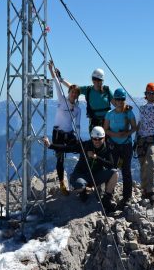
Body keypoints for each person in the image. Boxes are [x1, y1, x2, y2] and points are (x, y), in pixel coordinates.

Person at [45, 126, 118, 214]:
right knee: (80, 185)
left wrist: (97, 157)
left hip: (95, 176)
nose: (97, 141)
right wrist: (51, 145)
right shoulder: (85, 145)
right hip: (81, 175)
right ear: (91, 138)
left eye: (100, 139)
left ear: (104, 138)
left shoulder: (107, 148)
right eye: (95, 139)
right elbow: (68, 148)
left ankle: (106, 199)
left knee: (115, 173)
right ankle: (83, 191)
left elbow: (111, 165)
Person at [47, 61, 80, 195]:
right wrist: (51, 70)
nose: (73, 95)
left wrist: (78, 139)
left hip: (69, 134)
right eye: (72, 92)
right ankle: (62, 184)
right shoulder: (62, 100)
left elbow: (77, 126)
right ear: (69, 92)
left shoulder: (77, 109)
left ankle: (80, 177)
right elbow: (56, 82)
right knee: (60, 159)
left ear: (77, 95)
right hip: (58, 134)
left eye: (75, 93)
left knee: (81, 151)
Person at [103, 88, 138, 206]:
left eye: (122, 99)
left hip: (125, 145)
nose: (119, 101)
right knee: (112, 170)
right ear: (115, 100)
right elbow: (105, 130)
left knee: (126, 171)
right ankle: (108, 195)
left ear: (124, 100)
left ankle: (126, 197)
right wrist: (116, 134)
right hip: (114, 145)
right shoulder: (109, 114)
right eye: (117, 99)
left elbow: (134, 127)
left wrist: (126, 134)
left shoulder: (129, 112)